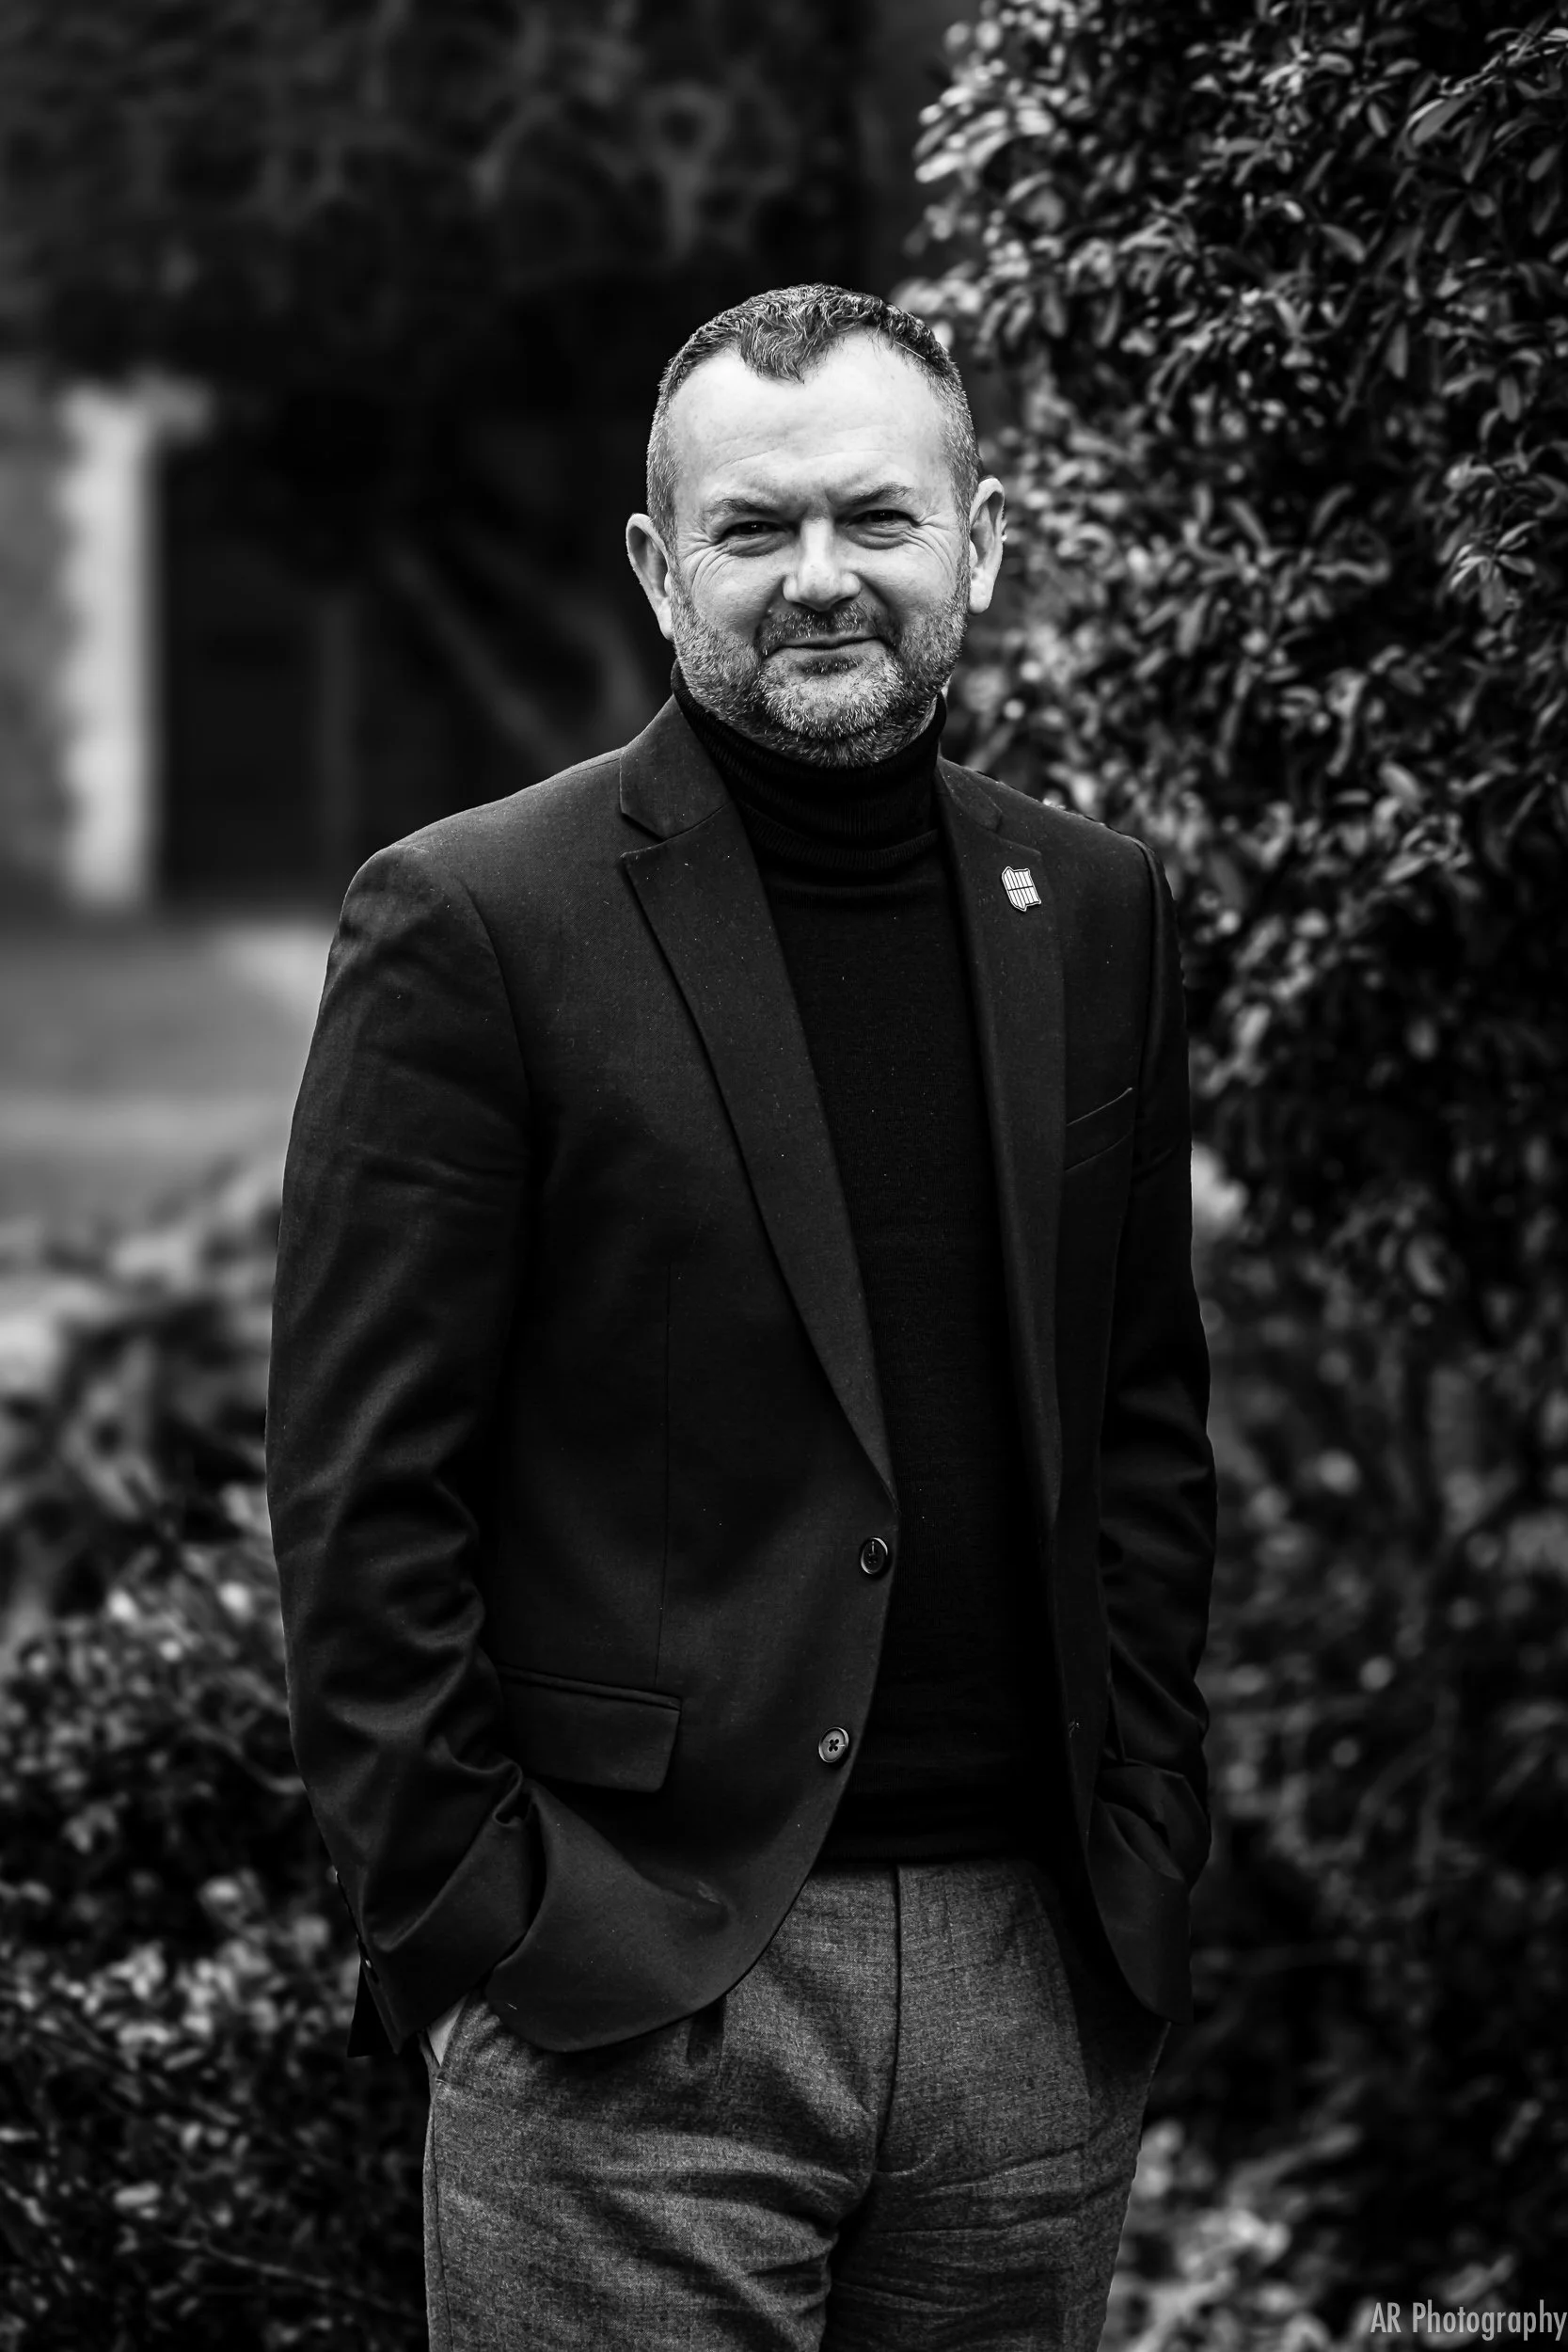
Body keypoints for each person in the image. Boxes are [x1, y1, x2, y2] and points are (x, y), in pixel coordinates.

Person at [266, 282, 1216, 2352]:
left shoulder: (1101, 906)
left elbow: (1142, 1420)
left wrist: (1138, 1843)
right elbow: (361, 1489)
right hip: (637, 1999)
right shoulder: (473, 921)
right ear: (654, 561)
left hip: (1023, 1991)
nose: (817, 580)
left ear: (975, 538)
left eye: (874, 518)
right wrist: (496, 1924)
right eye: (749, 526)